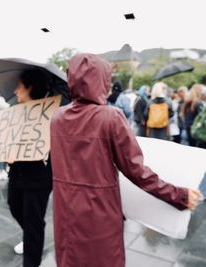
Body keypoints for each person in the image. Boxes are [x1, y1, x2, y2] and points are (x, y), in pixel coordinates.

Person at [50, 53, 201, 267]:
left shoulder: (57, 118)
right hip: (99, 216)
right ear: (102, 80)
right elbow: (137, 172)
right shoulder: (110, 118)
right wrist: (179, 195)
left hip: (66, 214)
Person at [7, 69, 52, 267]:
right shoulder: (16, 113)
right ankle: (33, 234)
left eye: (19, 86)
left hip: (38, 177)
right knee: (14, 205)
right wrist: (0, 150)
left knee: (33, 221)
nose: (15, 91)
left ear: (30, 88)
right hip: (17, 173)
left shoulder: (50, 114)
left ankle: (32, 256)